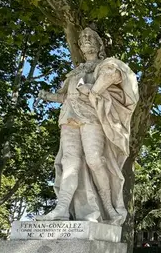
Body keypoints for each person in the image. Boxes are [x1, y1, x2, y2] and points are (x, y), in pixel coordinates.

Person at [38, 28, 138, 225]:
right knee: (70, 162)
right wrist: (49, 96)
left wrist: (92, 89)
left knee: (94, 159)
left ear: (99, 44)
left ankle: (108, 206)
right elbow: (67, 96)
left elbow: (120, 79)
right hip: (69, 115)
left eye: (90, 38)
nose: (85, 40)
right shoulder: (77, 70)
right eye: (82, 39)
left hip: (92, 116)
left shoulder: (106, 66)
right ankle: (62, 208)